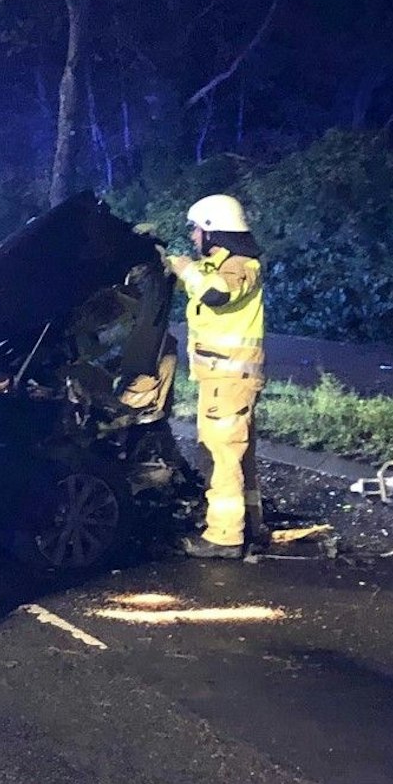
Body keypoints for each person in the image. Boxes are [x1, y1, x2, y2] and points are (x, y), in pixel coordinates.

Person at [167, 194, 266, 558]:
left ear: (212, 230)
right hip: (223, 379)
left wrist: (185, 270)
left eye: (197, 229)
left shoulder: (239, 266)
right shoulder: (218, 264)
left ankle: (224, 536)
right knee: (239, 456)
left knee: (222, 454)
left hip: (229, 380)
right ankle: (251, 526)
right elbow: (198, 282)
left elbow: (215, 294)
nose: (193, 236)